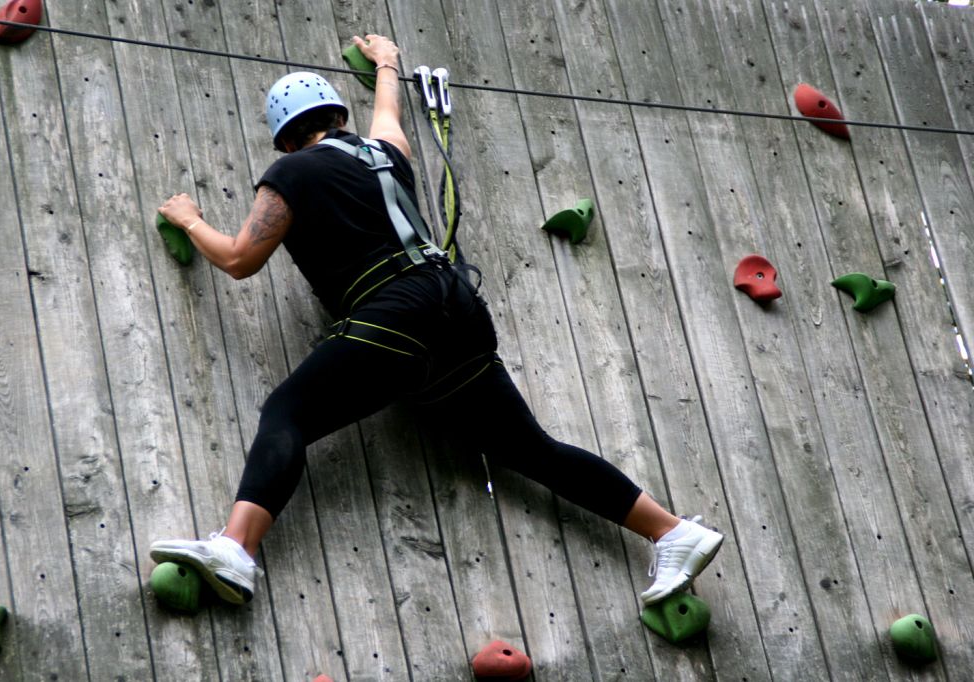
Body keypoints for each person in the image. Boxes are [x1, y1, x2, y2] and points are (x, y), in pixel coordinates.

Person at [151, 34, 721, 609]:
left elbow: (239, 259)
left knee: (286, 412)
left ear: (285, 137)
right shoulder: (386, 156)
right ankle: (672, 531)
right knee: (532, 449)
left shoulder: (292, 172)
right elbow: (390, 117)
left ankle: (237, 548)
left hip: (394, 311)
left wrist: (190, 218)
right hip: (459, 311)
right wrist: (388, 63)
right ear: (338, 116)